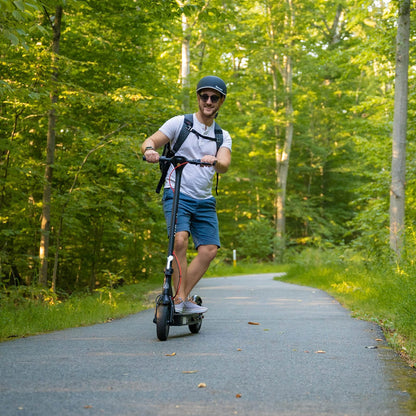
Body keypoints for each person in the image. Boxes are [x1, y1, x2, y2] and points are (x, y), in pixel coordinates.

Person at [141, 75, 232, 314]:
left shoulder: (222, 136)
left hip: (204, 199)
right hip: (176, 191)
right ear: (198, 98)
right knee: (179, 239)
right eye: (204, 96)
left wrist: (215, 160)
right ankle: (181, 299)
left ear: (221, 101)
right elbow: (150, 141)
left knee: (209, 250)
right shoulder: (179, 123)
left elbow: (224, 163)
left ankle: (180, 296)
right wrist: (150, 150)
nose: (209, 101)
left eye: (214, 98)